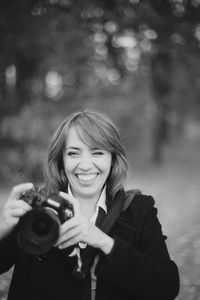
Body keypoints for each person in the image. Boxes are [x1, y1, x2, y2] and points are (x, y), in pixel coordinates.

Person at [0, 110, 179, 300]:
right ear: (61, 161)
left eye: (97, 152)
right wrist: (2, 229)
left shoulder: (139, 209)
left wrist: (104, 242)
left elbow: (166, 287)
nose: (85, 165)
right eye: (74, 153)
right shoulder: (35, 209)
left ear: (113, 159)